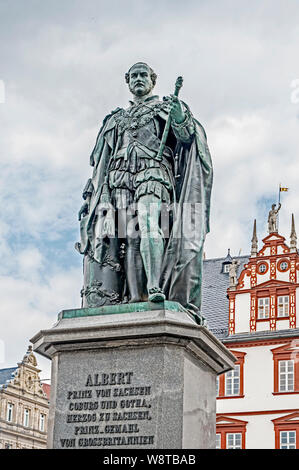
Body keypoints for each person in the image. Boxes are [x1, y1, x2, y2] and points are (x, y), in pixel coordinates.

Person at [76, 62, 213, 317]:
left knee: (150, 223)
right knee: (129, 238)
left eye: (144, 75)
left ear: (153, 80)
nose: (139, 79)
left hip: (153, 173)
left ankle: (154, 286)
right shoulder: (116, 118)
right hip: (119, 179)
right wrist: (99, 193)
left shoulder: (165, 109)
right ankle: (134, 294)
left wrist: (181, 118)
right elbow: (101, 164)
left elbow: (186, 137)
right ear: (127, 81)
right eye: (134, 76)